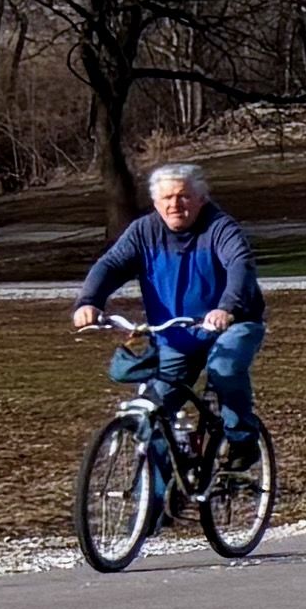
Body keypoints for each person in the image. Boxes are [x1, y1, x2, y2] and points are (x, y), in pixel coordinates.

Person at [73, 158, 263, 435]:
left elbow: (240, 264)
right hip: (176, 335)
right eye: (167, 197)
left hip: (231, 325)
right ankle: (155, 478)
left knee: (225, 368)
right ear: (155, 202)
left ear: (201, 199)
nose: (175, 204)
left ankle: (241, 441)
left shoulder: (219, 228)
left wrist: (227, 307)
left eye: (184, 196)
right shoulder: (144, 232)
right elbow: (111, 265)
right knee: (154, 419)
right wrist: (89, 301)